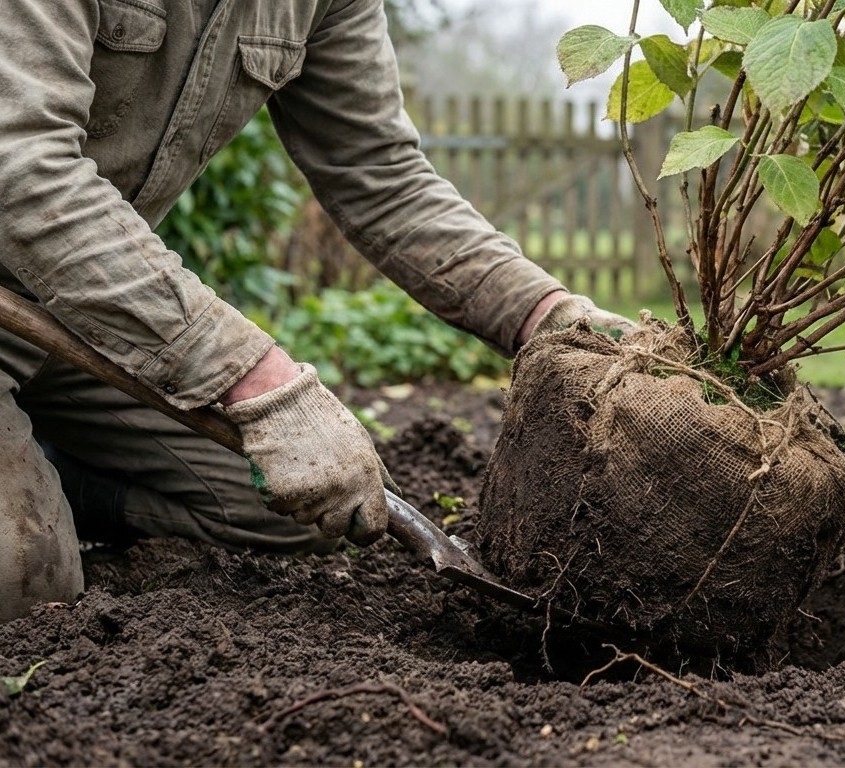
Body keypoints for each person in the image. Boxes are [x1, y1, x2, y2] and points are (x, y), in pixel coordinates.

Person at [0, 0, 632, 622]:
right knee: (26, 576)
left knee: (284, 507)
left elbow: (380, 173)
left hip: (89, 317)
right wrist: (255, 378)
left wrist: (554, 320)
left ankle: (49, 470)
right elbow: (24, 169)